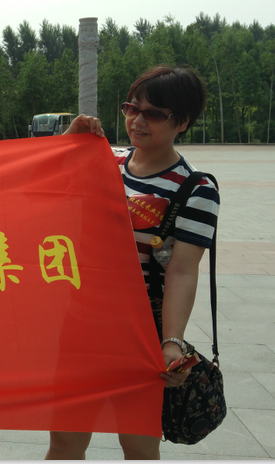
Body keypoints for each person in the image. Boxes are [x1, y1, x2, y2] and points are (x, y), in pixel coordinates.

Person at [47, 65, 220, 460]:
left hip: (142, 332)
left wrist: (171, 342)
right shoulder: (104, 162)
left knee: (138, 445)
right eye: (132, 108)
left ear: (183, 122)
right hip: (83, 323)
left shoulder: (196, 189)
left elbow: (182, 270)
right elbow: (34, 184)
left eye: (154, 114)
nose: (138, 121)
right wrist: (68, 140)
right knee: (64, 442)